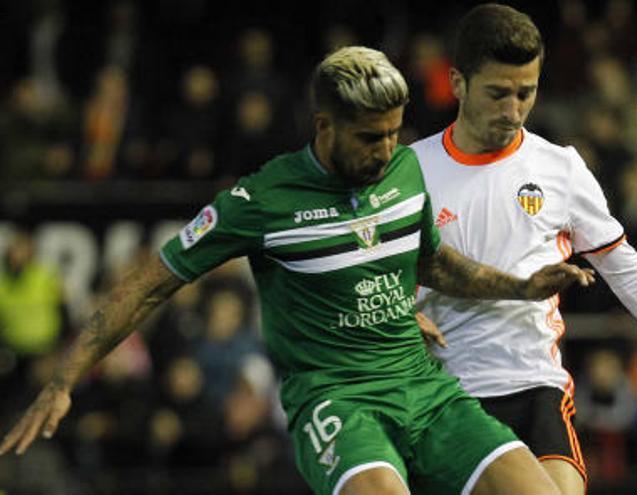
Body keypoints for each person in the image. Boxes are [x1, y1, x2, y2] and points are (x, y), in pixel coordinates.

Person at [0, 46, 596, 495]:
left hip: (426, 390)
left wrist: (519, 286)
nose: (386, 151)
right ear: (324, 126)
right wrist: (64, 381)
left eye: (393, 133)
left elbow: (431, 262)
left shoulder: (404, 172)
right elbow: (149, 284)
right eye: (369, 138)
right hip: (337, 402)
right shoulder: (260, 201)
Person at [410, 5, 637, 494]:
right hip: (447, 391)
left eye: (527, 93)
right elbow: (360, 273)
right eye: (498, 93)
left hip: (536, 385)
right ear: (457, 82)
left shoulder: (558, 168)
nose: (514, 110)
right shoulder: (410, 171)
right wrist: (397, 313)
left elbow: (625, 268)